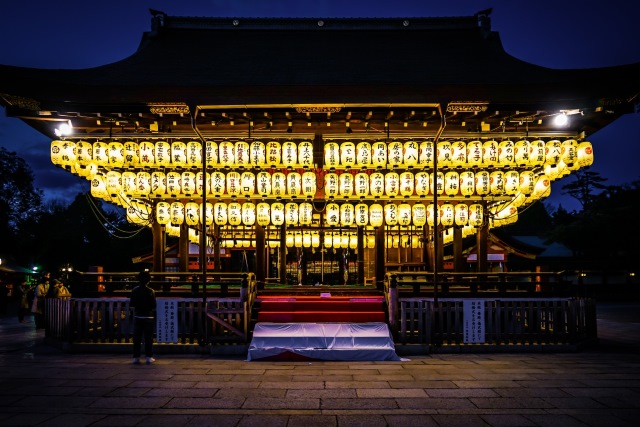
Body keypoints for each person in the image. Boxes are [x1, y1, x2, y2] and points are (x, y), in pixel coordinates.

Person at [129, 271, 156, 364]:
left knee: (137, 338)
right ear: (148, 280)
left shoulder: (135, 290)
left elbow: (132, 303)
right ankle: (149, 356)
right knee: (148, 338)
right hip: (148, 316)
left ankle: (136, 357)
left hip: (138, 315)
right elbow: (154, 305)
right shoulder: (151, 291)